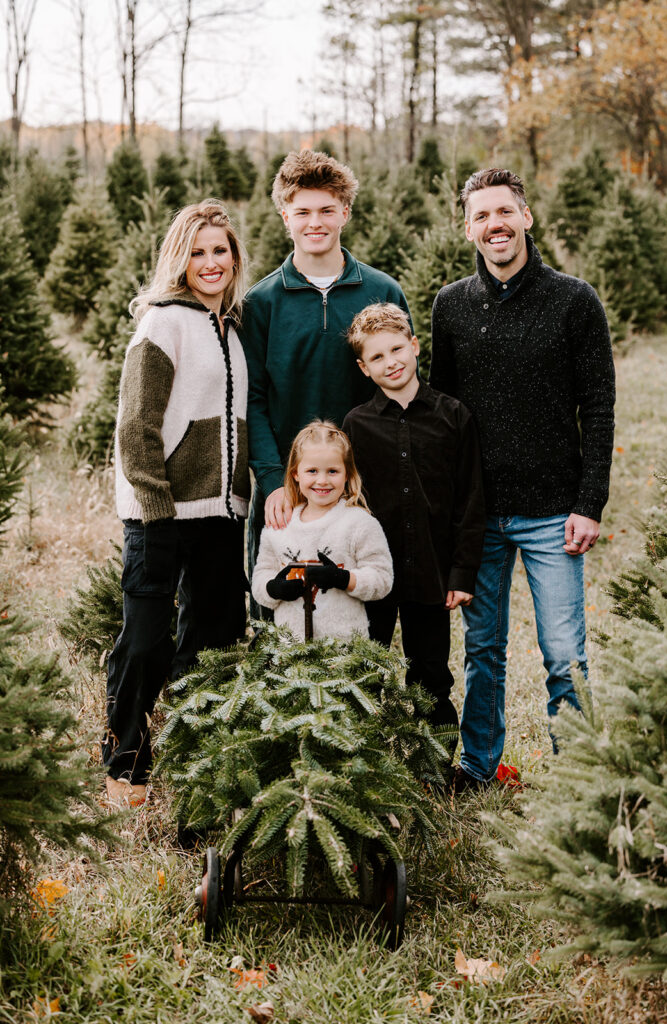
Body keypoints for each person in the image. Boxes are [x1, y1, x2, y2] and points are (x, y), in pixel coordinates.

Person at [430, 167, 616, 792]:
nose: (495, 225)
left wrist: (589, 504)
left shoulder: (574, 300)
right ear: (468, 229)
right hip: (480, 515)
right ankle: (478, 767)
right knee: (483, 654)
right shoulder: (451, 306)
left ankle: (578, 780)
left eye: (504, 212)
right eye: (481, 216)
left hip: (551, 513)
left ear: (526, 217)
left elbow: (599, 407)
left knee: (564, 654)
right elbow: (445, 415)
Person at [103, 199, 251, 807]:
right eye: (198, 251)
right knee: (144, 639)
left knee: (212, 638)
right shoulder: (163, 323)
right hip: (159, 510)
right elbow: (136, 425)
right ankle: (125, 763)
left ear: (235, 258)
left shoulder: (235, 327)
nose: (210, 262)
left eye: (221, 250)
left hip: (221, 512)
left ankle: (193, 756)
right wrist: (155, 505)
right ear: (178, 258)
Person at [240, 149, 411, 605]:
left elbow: (401, 387)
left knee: (359, 619)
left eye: (326, 210)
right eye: (302, 212)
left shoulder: (383, 291)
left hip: (362, 484)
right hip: (290, 488)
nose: (314, 222)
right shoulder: (262, 304)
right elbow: (252, 399)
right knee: (281, 615)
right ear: (284, 216)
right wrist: (275, 480)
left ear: (345, 213)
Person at [342, 303, 485, 759]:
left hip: (431, 574)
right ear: (364, 368)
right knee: (365, 669)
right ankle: (364, 764)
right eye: (378, 358)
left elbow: (470, 500)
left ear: (415, 346)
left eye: (397, 349)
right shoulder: (357, 425)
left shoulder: (454, 416)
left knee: (430, 674)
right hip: (373, 576)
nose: (392, 362)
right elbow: (349, 505)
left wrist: (461, 574)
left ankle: (436, 766)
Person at [251, 421, 393, 641]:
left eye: (333, 471)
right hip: (291, 653)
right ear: (296, 474)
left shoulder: (359, 523)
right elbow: (260, 578)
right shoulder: (280, 526)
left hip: (345, 652)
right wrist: (274, 588)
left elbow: (382, 579)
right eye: (312, 471)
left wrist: (344, 578)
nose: (322, 480)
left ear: (347, 474)